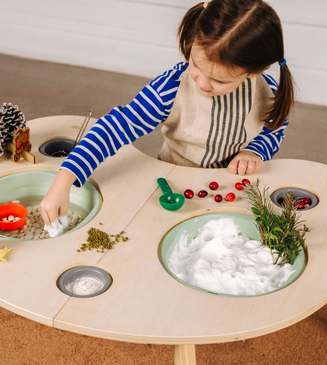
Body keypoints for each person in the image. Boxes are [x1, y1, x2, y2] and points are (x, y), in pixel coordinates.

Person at [41, 0, 294, 226]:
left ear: (254, 71)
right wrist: (65, 179)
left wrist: (255, 150)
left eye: (219, 81)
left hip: (230, 191)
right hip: (172, 187)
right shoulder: (172, 86)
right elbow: (115, 128)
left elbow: (274, 127)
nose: (203, 84)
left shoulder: (267, 92)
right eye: (195, 64)